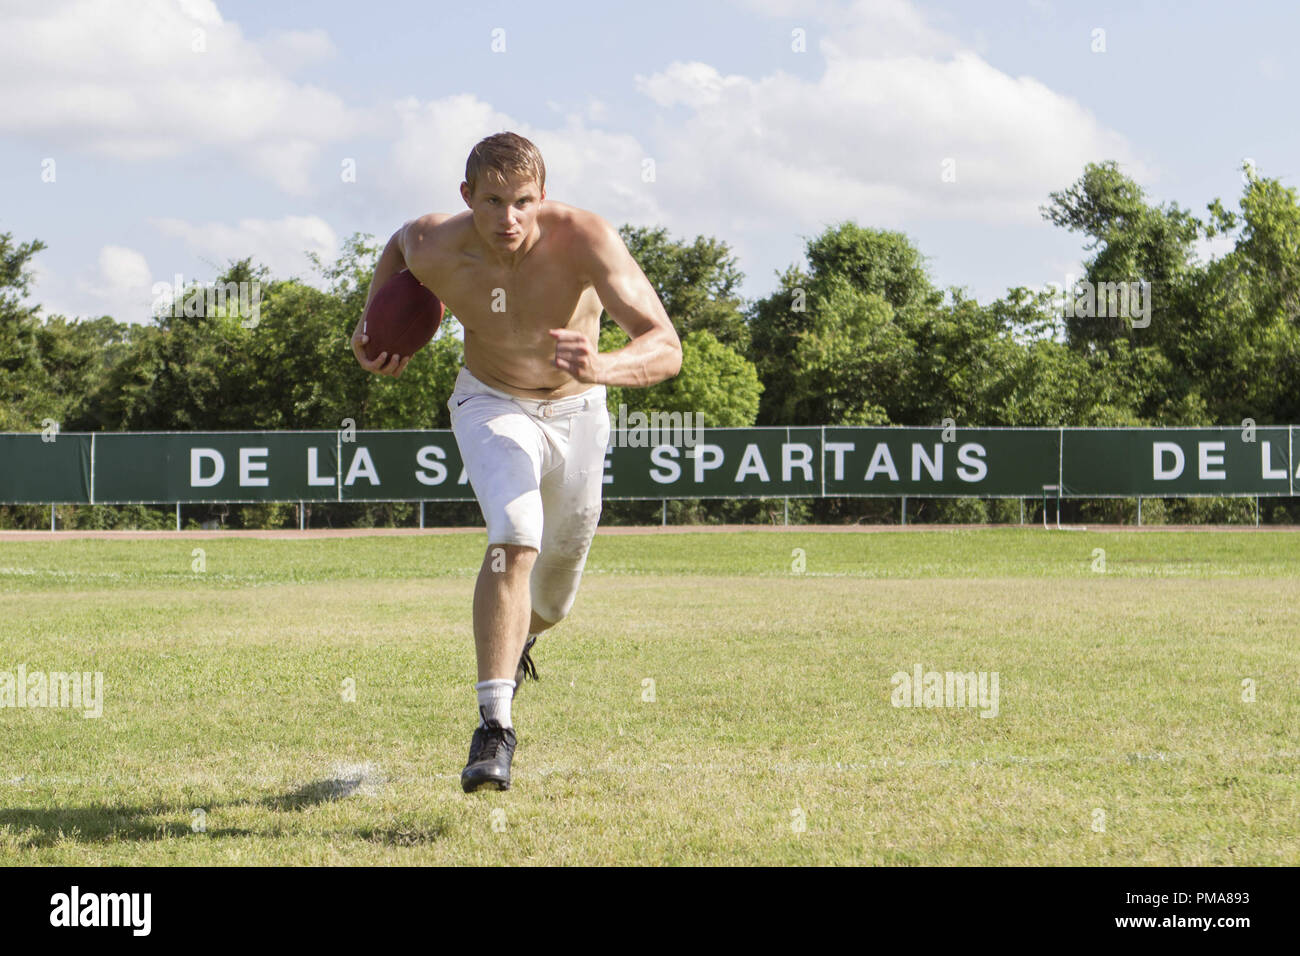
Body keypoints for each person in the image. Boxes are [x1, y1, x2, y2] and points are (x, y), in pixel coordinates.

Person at [351, 132, 682, 792]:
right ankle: (494, 726)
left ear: (544, 197)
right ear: (467, 197)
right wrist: (373, 324)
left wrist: (603, 365)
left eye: (523, 202)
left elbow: (665, 346)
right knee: (513, 532)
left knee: (553, 599)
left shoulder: (585, 238)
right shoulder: (433, 242)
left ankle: (519, 640)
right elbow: (398, 244)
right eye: (493, 201)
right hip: (491, 402)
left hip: (580, 411)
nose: (508, 219)